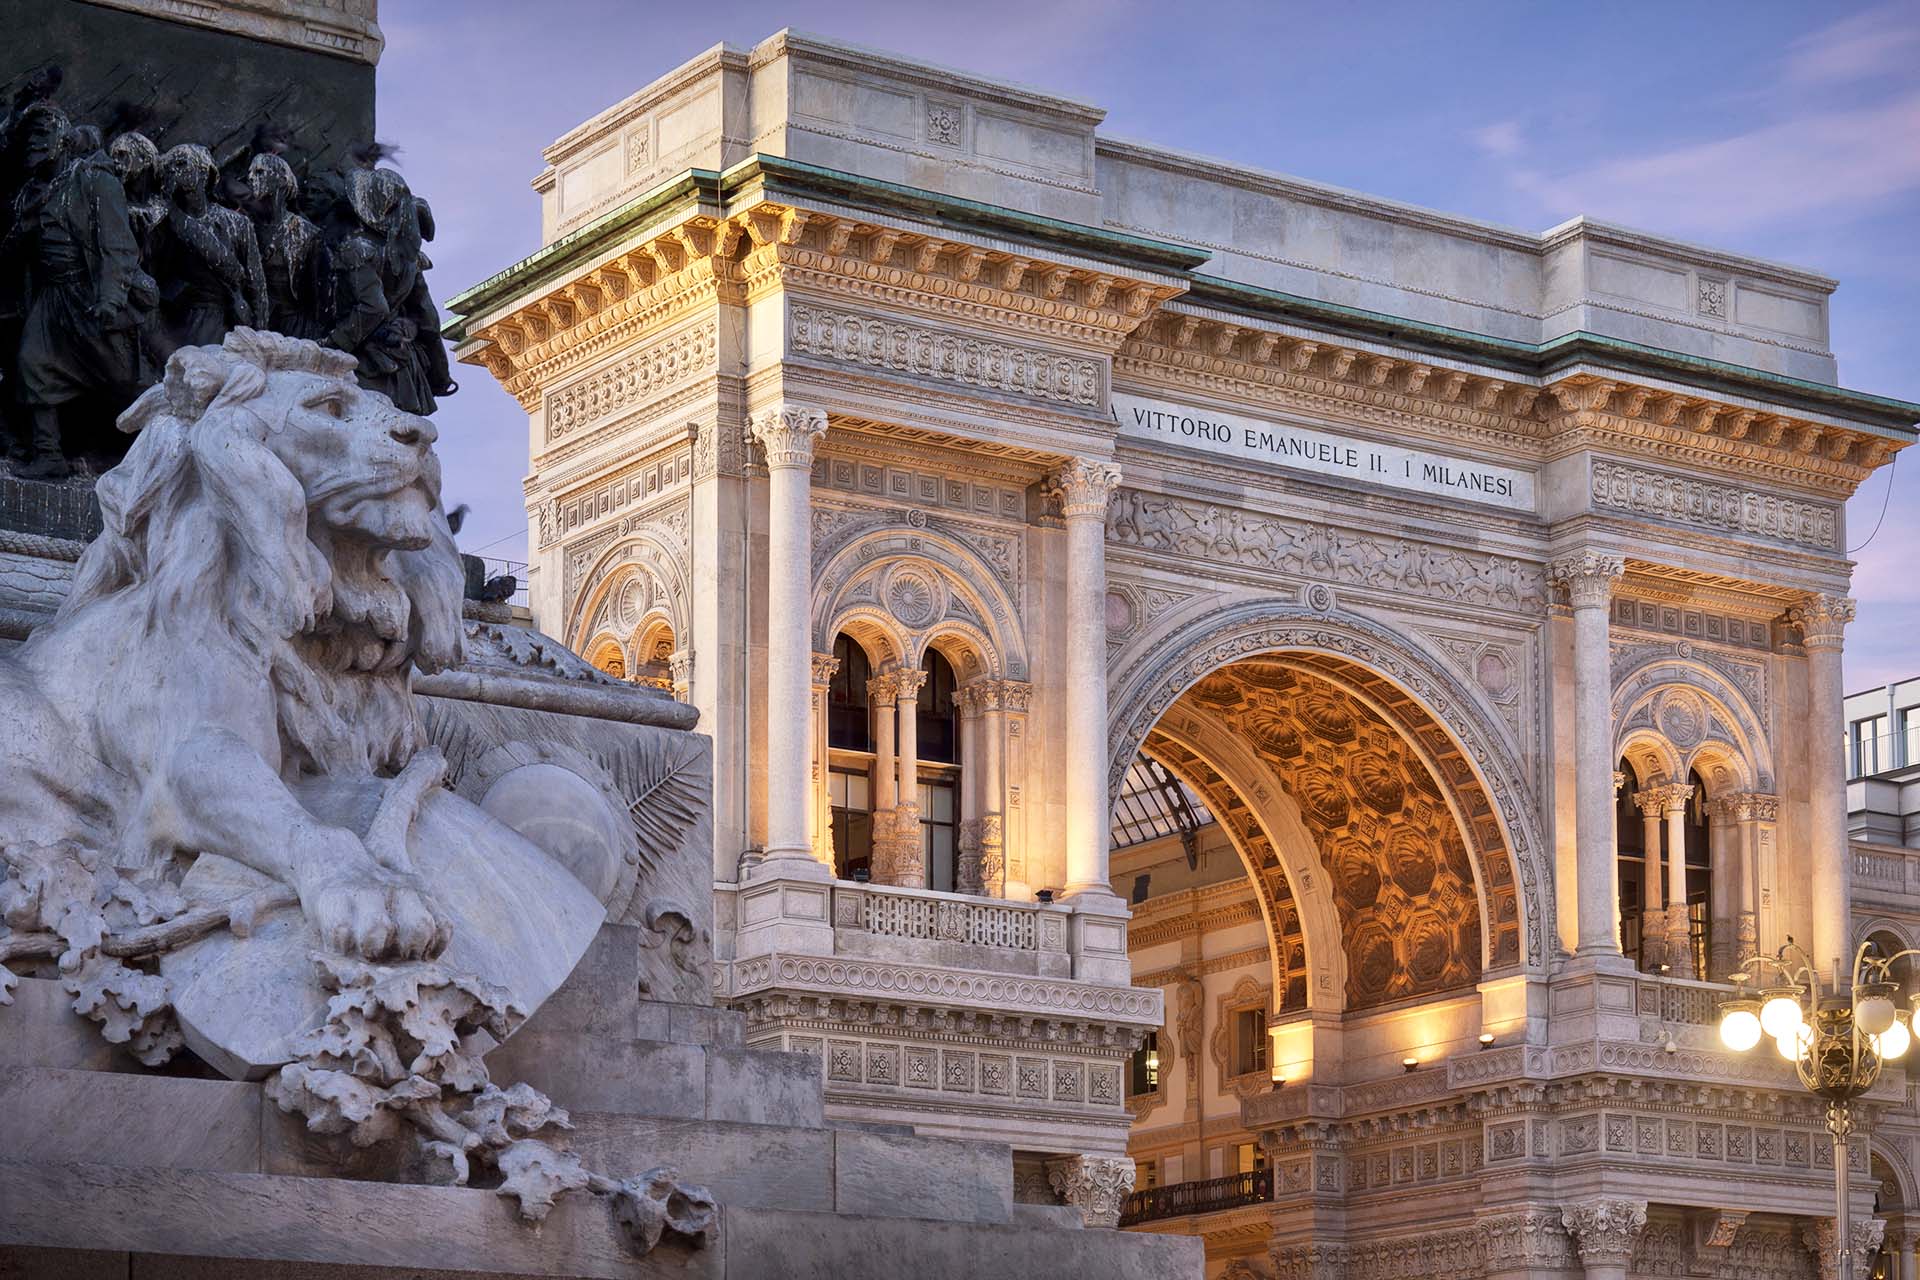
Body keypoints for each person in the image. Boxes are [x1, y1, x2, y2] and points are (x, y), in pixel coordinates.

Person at [12, 124, 156, 478]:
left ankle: (164, 450)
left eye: (41, 138)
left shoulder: (94, 178)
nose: (33, 145)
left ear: (60, 141)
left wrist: (110, 299)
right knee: (34, 362)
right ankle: (49, 454)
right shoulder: (42, 189)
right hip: (53, 296)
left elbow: (117, 244)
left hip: (87, 294)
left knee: (125, 381)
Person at [247, 153, 328, 338]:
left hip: (294, 330)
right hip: (252, 328)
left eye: (260, 172)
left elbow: (319, 299)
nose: (251, 178)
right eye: (249, 173)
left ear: (282, 181)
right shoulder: (243, 226)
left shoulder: (307, 233)